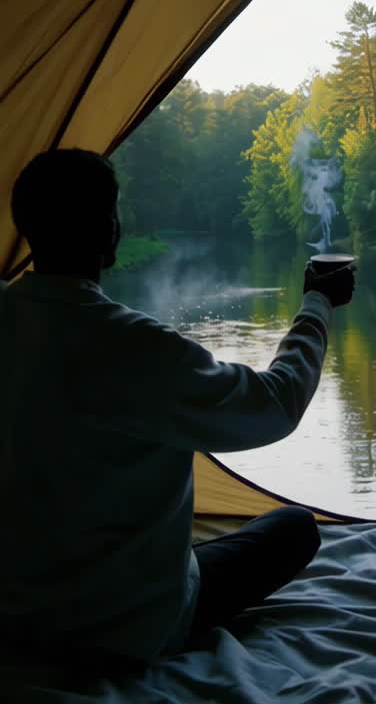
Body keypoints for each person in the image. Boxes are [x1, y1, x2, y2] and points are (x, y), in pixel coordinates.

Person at [0, 148, 354, 665]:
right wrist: (317, 305)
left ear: (24, 227)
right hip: (128, 628)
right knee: (293, 527)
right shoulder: (137, 346)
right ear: (111, 231)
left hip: (11, 622)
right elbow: (275, 406)